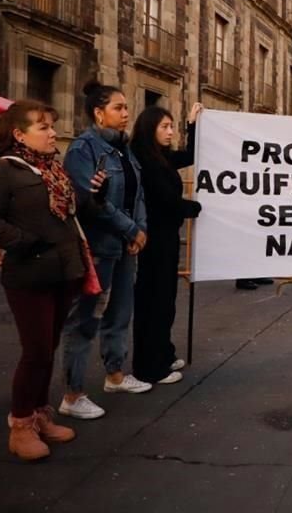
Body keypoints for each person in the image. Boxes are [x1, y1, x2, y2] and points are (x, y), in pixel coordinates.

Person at [0, 100, 106, 460]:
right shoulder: (0, 170)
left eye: (52, 125)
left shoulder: (52, 169)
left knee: (47, 350)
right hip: (28, 275)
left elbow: (73, 211)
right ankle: (19, 425)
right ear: (19, 134)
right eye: (43, 127)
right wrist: (26, 240)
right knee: (34, 352)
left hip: (63, 273)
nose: (52, 133)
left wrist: (96, 192)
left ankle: (39, 415)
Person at [61, 80, 150, 420]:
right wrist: (130, 228)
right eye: (118, 107)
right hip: (98, 247)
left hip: (126, 245)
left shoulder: (124, 148)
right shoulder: (84, 149)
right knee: (85, 319)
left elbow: (136, 193)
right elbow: (90, 201)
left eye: (127, 107)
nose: (126, 113)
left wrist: (139, 228)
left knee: (120, 313)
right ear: (99, 113)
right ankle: (73, 393)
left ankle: (115, 374)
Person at [130, 104, 203, 385]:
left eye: (172, 126)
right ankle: (150, 367)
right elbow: (163, 201)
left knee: (165, 298)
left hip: (165, 237)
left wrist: (192, 125)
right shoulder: (145, 158)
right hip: (154, 239)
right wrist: (192, 206)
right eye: (165, 127)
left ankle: (163, 353)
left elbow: (191, 155)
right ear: (150, 128)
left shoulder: (159, 156)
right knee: (155, 300)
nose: (170, 132)